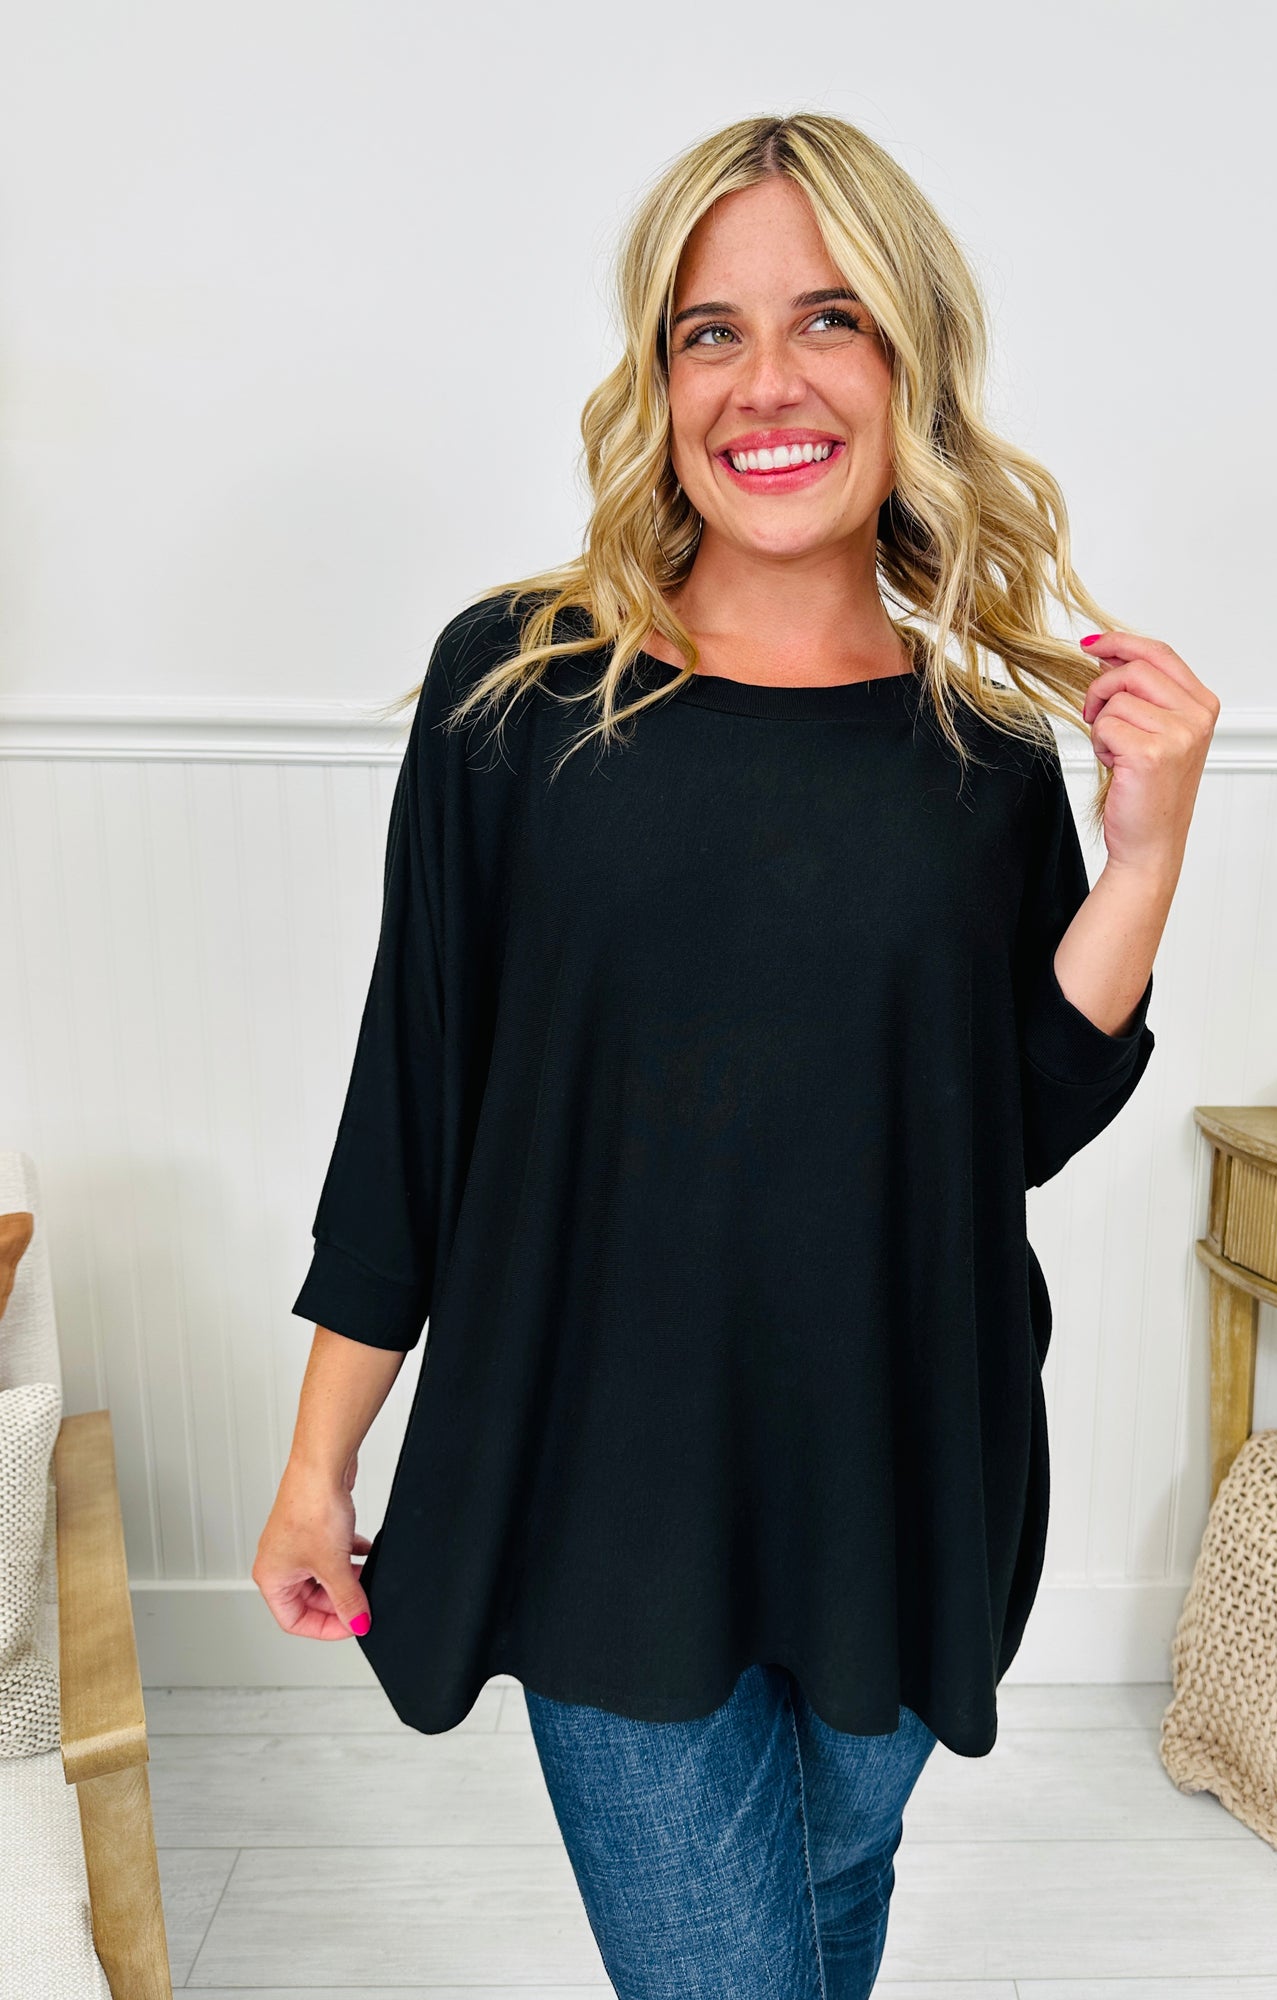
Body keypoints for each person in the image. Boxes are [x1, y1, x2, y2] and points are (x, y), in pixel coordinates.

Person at [253, 110, 1216, 2000]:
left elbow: (1010, 1123)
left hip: (905, 1483)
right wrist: (318, 1463)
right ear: (661, 375)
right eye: (713, 331)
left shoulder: (980, 757)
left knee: (826, 1930)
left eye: (827, 319)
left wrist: (1149, 856)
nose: (766, 381)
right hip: (608, 1495)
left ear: (912, 362)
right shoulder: (522, 696)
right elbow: (412, 1108)